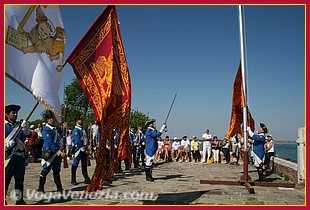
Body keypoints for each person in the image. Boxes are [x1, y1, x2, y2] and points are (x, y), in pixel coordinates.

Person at [5, 104, 31, 205]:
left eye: (16, 113)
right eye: (13, 113)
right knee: (6, 180)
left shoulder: (19, 126)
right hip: (8, 157)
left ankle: (19, 200)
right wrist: (5, 144)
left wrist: (27, 128)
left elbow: (28, 135)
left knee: (20, 179)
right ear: (7, 114)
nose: (15, 114)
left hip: (19, 157)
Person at [38, 111, 66, 193]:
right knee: (46, 170)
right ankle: (40, 188)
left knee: (57, 171)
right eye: (50, 118)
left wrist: (64, 127)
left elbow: (63, 134)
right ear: (47, 120)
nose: (52, 120)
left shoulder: (56, 128)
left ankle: (59, 188)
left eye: (52, 118)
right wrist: (59, 152)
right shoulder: (46, 130)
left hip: (57, 154)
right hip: (50, 153)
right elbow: (49, 143)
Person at [71, 116, 91, 185]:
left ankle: (86, 177)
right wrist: (83, 148)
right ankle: (73, 179)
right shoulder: (76, 130)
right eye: (80, 120)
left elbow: (86, 138)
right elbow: (77, 141)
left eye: (82, 119)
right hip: (79, 149)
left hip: (84, 149)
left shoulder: (83, 129)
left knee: (84, 164)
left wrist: (87, 147)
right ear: (76, 121)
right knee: (75, 164)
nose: (81, 120)